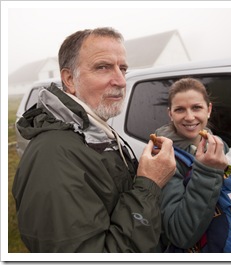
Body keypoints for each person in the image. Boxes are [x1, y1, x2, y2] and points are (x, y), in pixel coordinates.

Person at [12, 27, 176, 253]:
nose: (120, 81)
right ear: (69, 79)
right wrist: (149, 184)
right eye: (103, 67)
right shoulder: (53, 158)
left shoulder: (93, 130)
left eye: (123, 69)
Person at [154, 77, 229, 253]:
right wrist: (208, 172)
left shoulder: (218, 144)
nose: (189, 117)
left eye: (196, 107)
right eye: (180, 109)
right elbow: (179, 234)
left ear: (208, 110)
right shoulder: (162, 155)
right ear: (170, 114)